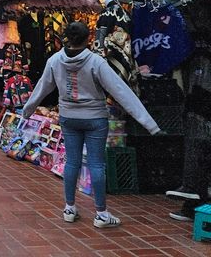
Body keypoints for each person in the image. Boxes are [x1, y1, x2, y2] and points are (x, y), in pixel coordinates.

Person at [22, 21, 161, 229]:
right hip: (95, 118)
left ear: (66, 38)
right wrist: (151, 125)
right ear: (89, 38)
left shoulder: (54, 60)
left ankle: (69, 208)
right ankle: (101, 214)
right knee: (96, 164)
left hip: (68, 116)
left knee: (72, 163)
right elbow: (120, 91)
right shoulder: (96, 62)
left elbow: (42, 88)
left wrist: (26, 111)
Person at [165, 53, 211, 221]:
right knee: (200, 144)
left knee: (200, 143)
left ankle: (194, 201)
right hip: (200, 90)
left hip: (201, 91)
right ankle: (194, 205)